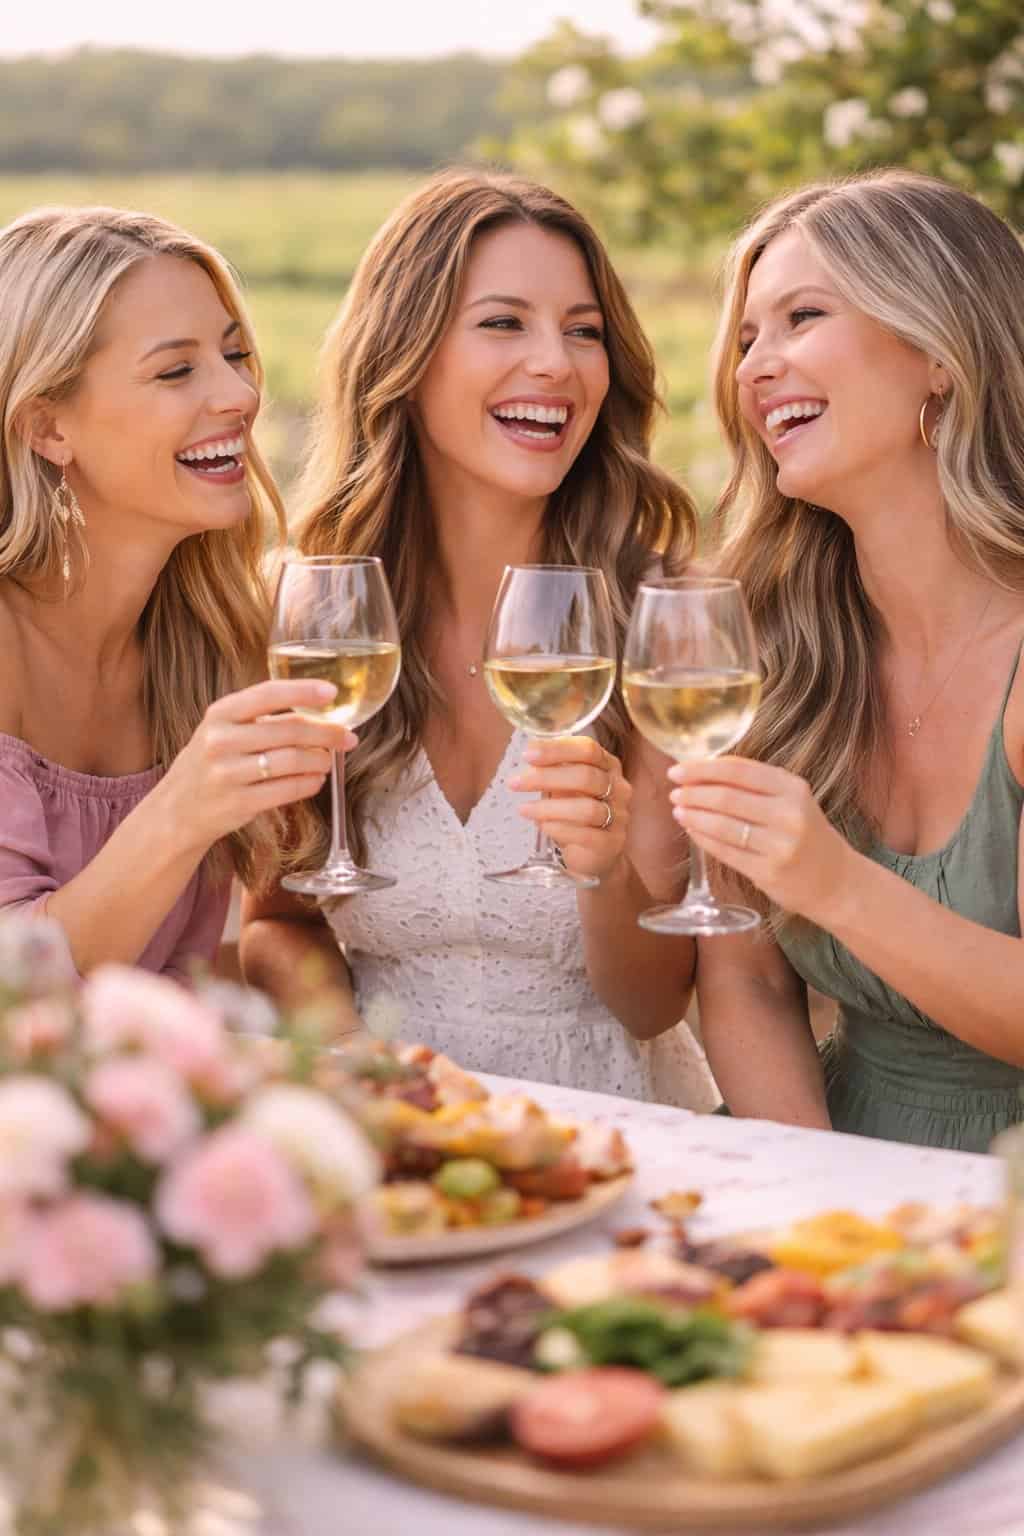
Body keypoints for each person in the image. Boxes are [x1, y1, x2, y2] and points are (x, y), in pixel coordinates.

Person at [241, 169, 717, 1108]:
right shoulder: (313, 620)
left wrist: (605, 868)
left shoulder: (657, 613)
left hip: (622, 1144)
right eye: (505, 323)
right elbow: (276, 922)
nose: (556, 364)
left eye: (584, 331)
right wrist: (355, 1060)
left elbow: (655, 1004)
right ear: (406, 354)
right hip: (399, 1144)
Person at [669, 169, 1024, 1150]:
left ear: (938, 354)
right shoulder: (778, 644)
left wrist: (835, 886)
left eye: (800, 318)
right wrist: (816, 1203)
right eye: (745, 340)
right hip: (828, 1157)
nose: (755, 367)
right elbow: (742, 979)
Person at [0, 206, 354, 980]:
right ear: (46, 427)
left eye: (235, 354)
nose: (240, 396)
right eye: (176, 371)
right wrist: (182, 810)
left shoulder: (215, 639)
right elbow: (13, 998)